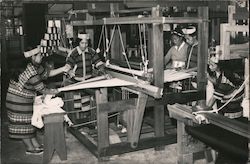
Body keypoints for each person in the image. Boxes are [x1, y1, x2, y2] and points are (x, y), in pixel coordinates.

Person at [6, 45, 70, 155]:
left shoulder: (35, 66)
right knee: (23, 124)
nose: (41, 57)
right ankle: (30, 148)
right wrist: (56, 91)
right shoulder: (30, 70)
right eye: (39, 55)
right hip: (17, 100)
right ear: (32, 57)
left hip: (23, 98)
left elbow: (46, 73)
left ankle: (35, 145)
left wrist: (63, 69)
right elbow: (42, 89)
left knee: (29, 123)